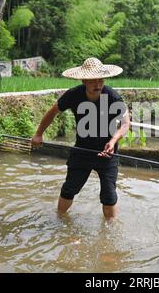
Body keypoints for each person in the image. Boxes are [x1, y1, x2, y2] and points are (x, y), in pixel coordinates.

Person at [31, 57, 130, 220]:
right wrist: (38, 134)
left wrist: (112, 142)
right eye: (92, 81)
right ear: (84, 80)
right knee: (69, 189)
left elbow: (125, 124)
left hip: (107, 152)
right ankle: (59, 220)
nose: (97, 85)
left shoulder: (112, 96)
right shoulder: (73, 95)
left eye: (100, 80)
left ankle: (110, 233)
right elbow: (53, 112)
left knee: (109, 195)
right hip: (82, 150)